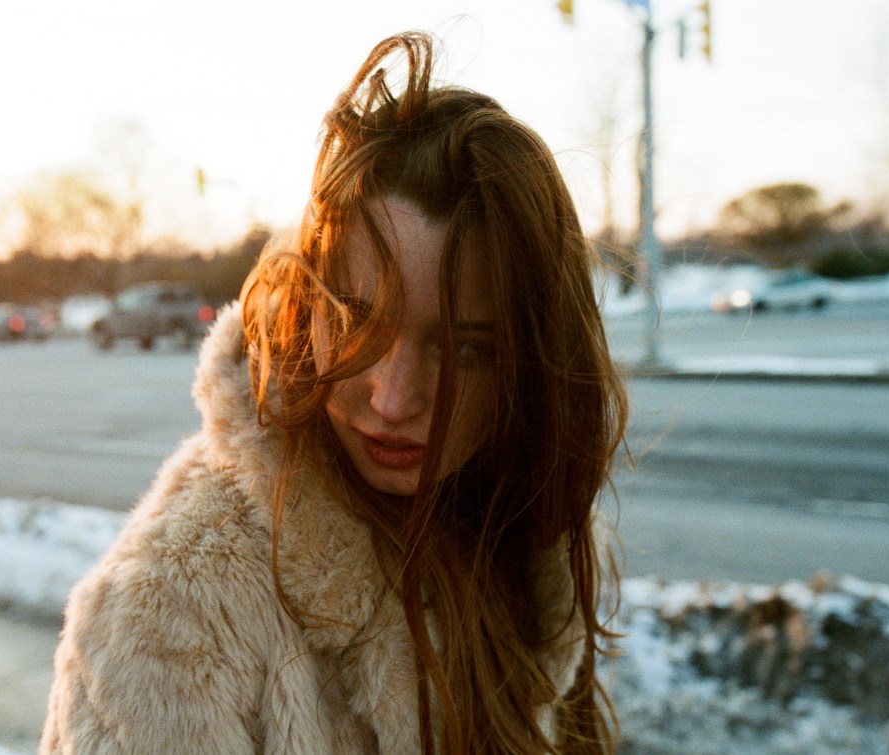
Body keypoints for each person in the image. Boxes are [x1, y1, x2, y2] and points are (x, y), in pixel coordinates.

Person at [40, 30, 627, 755]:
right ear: (302, 306)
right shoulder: (173, 613)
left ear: (532, 364)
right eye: (356, 325)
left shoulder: (534, 544)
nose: (393, 399)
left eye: (467, 348)